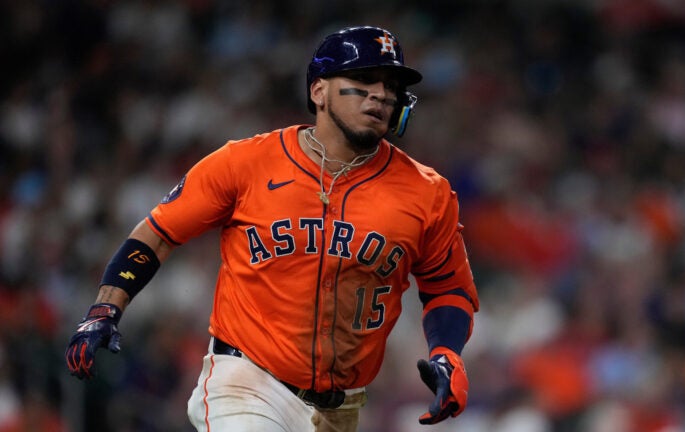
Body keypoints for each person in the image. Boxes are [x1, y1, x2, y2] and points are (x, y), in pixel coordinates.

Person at [64, 25, 479, 431]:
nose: (380, 94)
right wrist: (105, 308)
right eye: (363, 79)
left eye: (390, 85)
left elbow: (448, 287)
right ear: (318, 90)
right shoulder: (245, 164)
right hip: (247, 382)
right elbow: (157, 234)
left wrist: (447, 353)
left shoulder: (427, 193)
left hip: (343, 408)